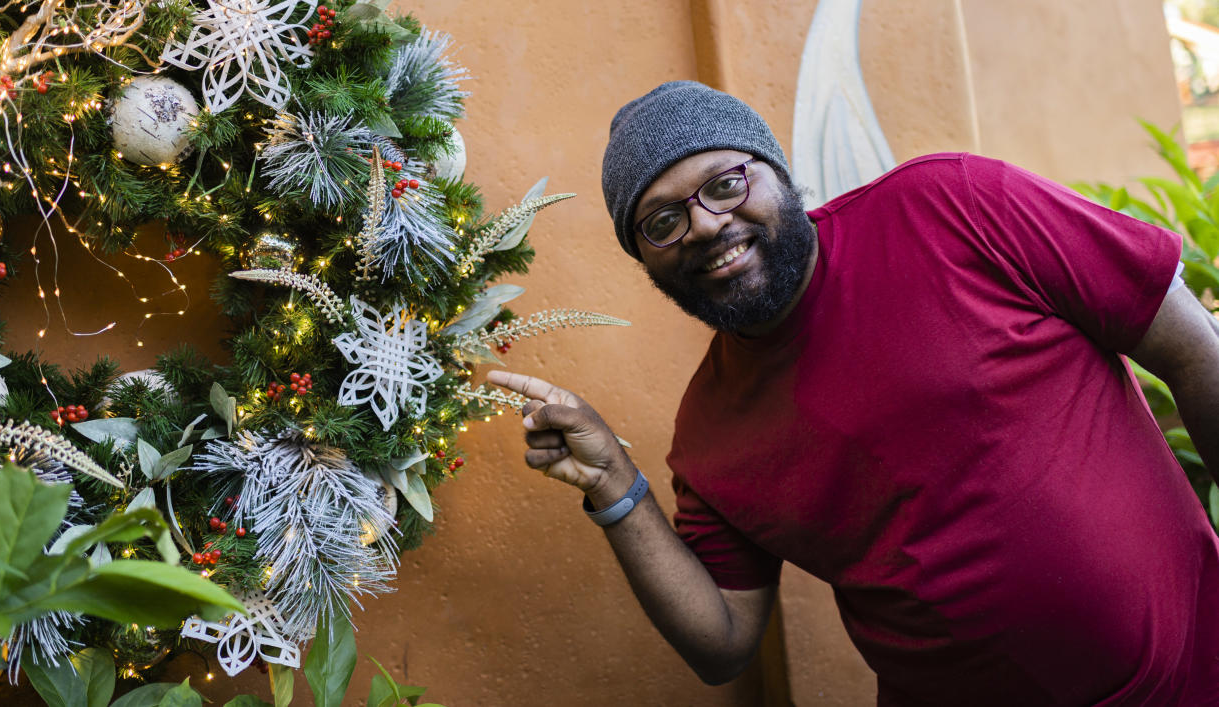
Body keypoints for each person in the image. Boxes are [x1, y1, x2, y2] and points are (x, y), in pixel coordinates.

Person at [487, 80, 1219, 706]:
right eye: (663, 221)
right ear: (644, 257)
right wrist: (616, 484)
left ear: (776, 171)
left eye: (724, 183)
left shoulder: (951, 206)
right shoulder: (709, 433)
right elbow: (724, 642)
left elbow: (1189, 345)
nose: (707, 225)